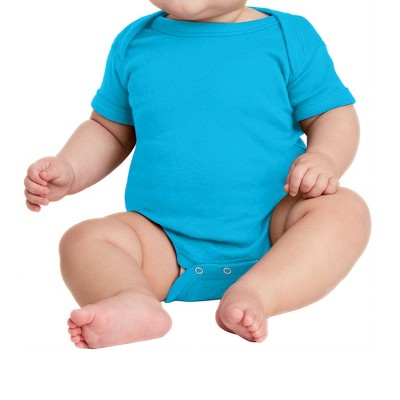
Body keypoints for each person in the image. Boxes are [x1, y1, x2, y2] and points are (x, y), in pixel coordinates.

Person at [24, 0, 371, 349]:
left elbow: (330, 114)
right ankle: (132, 299)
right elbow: (109, 130)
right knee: (83, 239)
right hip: (164, 246)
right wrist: (71, 168)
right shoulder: (134, 43)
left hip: (278, 232)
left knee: (345, 210)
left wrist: (324, 157)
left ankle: (261, 293)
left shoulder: (288, 37)